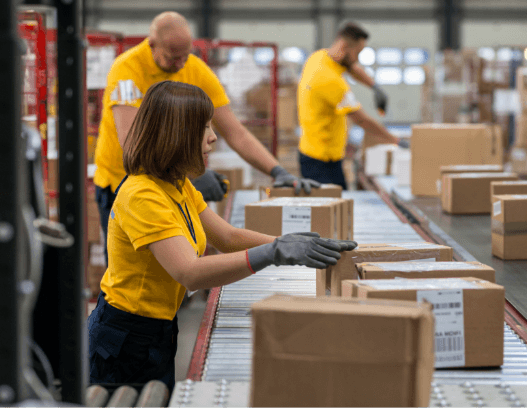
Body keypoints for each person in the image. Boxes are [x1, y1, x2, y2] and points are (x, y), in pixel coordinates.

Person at [88, 81, 357, 391]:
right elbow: (189, 273)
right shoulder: (142, 195)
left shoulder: (176, 184)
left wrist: (289, 244)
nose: (213, 137)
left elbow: (225, 236)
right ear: (176, 134)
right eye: (203, 128)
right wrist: (273, 254)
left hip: (157, 328)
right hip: (125, 338)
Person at [93, 11, 320, 265]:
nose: (181, 64)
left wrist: (277, 171)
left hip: (170, 181)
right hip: (121, 182)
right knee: (134, 265)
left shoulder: (195, 69)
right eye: (172, 57)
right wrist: (194, 173)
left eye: (185, 55)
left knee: (170, 267)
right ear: (152, 44)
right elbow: (132, 142)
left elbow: (237, 133)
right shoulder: (127, 70)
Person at [298, 22, 408, 190]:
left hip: (323, 155)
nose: (358, 58)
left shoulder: (319, 57)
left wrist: (374, 86)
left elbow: (352, 67)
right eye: (358, 52)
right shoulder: (330, 81)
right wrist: (395, 141)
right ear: (344, 46)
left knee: (341, 203)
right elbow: (362, 120)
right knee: (331, 210)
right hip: (319, 162)